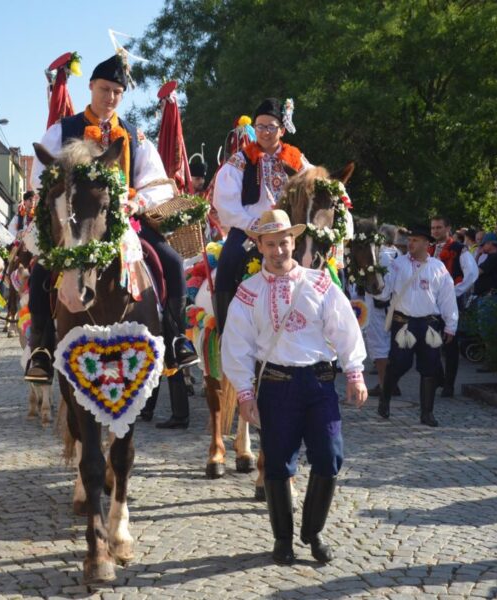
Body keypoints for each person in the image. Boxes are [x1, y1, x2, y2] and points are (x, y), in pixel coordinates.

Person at [32, 53, 197, 383]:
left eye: (117, 92)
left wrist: (138, 202)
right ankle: (42, 348)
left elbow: (157, 183)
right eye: (104, 89)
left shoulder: (135, 137)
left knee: (171, 261)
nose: (110, 97)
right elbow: (41, 174)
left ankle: (176, 336)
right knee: (39, 269)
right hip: (75, 221)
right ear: (91, 87)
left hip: (122, 221)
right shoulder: (63, 130)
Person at [221, 210, 367, 566]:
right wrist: (243, 393)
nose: (278, 250)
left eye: (283, 242)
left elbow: (344, 327)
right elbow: (236, 345)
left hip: (318, 383)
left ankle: (312, 532)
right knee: (277, 465)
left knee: (330, 456)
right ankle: (283, 540)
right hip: (276, 385)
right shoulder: (248, 292)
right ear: (259, 247)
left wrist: (354, 372)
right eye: (270, 244)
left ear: (294, 242)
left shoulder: (320, 283)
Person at [212, 97, 311, 334]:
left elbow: (315, 186)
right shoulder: (240, 161)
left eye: (271, 127)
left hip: (289, 230)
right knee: (227, 262)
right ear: (254, 128)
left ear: (282, 129)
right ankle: (226, 332)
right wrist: (252, 224)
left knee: (323, 264)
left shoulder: (297, 160)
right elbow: (225, 202)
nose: (265, 132)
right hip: (250, 230)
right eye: (260, 127)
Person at [375, 225, 458, 427]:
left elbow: (448, 298)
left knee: (429, 368)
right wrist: (373, 283)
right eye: (410, 240)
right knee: (399, 364)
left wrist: (451, 325)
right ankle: (385, 399)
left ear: (426, 244)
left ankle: (427, 413)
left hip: (430, 324)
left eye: (415, 240)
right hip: (403, 323)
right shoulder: (397, 265)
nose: (410, 243)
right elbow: (384, 293)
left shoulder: (438, 267)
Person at [429, 216, 478, 397]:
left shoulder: (459, 249)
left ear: (448, 228)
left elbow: (471, 274)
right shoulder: (429, 249)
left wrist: (453, 292)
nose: (435, 231)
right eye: (433, 228)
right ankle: (438, 377)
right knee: (430, 342)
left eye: (439, 227)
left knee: (450, 344)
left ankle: (449, 384)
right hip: (431, 303)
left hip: (451, 302)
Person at [366, 224, 401, 397]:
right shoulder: (397, 254)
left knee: (379, 346)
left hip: (380, 306)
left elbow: (382, 288)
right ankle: (388, 383)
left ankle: (385, 384)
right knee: (386, 346)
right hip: (392, 305)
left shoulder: (383, 257)